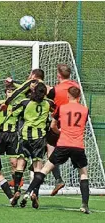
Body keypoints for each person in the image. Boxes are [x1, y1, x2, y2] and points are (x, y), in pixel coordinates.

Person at [20, 86, 90, 214]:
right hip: (78, 146)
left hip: (63, 144)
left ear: (68, 96)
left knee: (45, 169)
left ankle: (28, 192)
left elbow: (53, 126)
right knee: (83, 174)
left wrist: (60, 132)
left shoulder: (62, 108)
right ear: (79, 97)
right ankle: (84, 205)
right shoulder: (85, 110)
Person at [10, 82, 55, 208]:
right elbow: (55, 110)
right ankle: (35, 193)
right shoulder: (48, 103)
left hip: (25, 136)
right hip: (40, 138)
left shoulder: (25, 102)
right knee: (37, 167)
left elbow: (13, 112)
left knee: (20, 164)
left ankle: (17, 191)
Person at [46, 64, 80, 196]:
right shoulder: (76, 87)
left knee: (50, 150)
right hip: (74, 124)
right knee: (77, 154)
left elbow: (47, 99)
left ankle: (57, 179)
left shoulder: (56, 89)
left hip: (59, 121)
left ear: (58, 75)